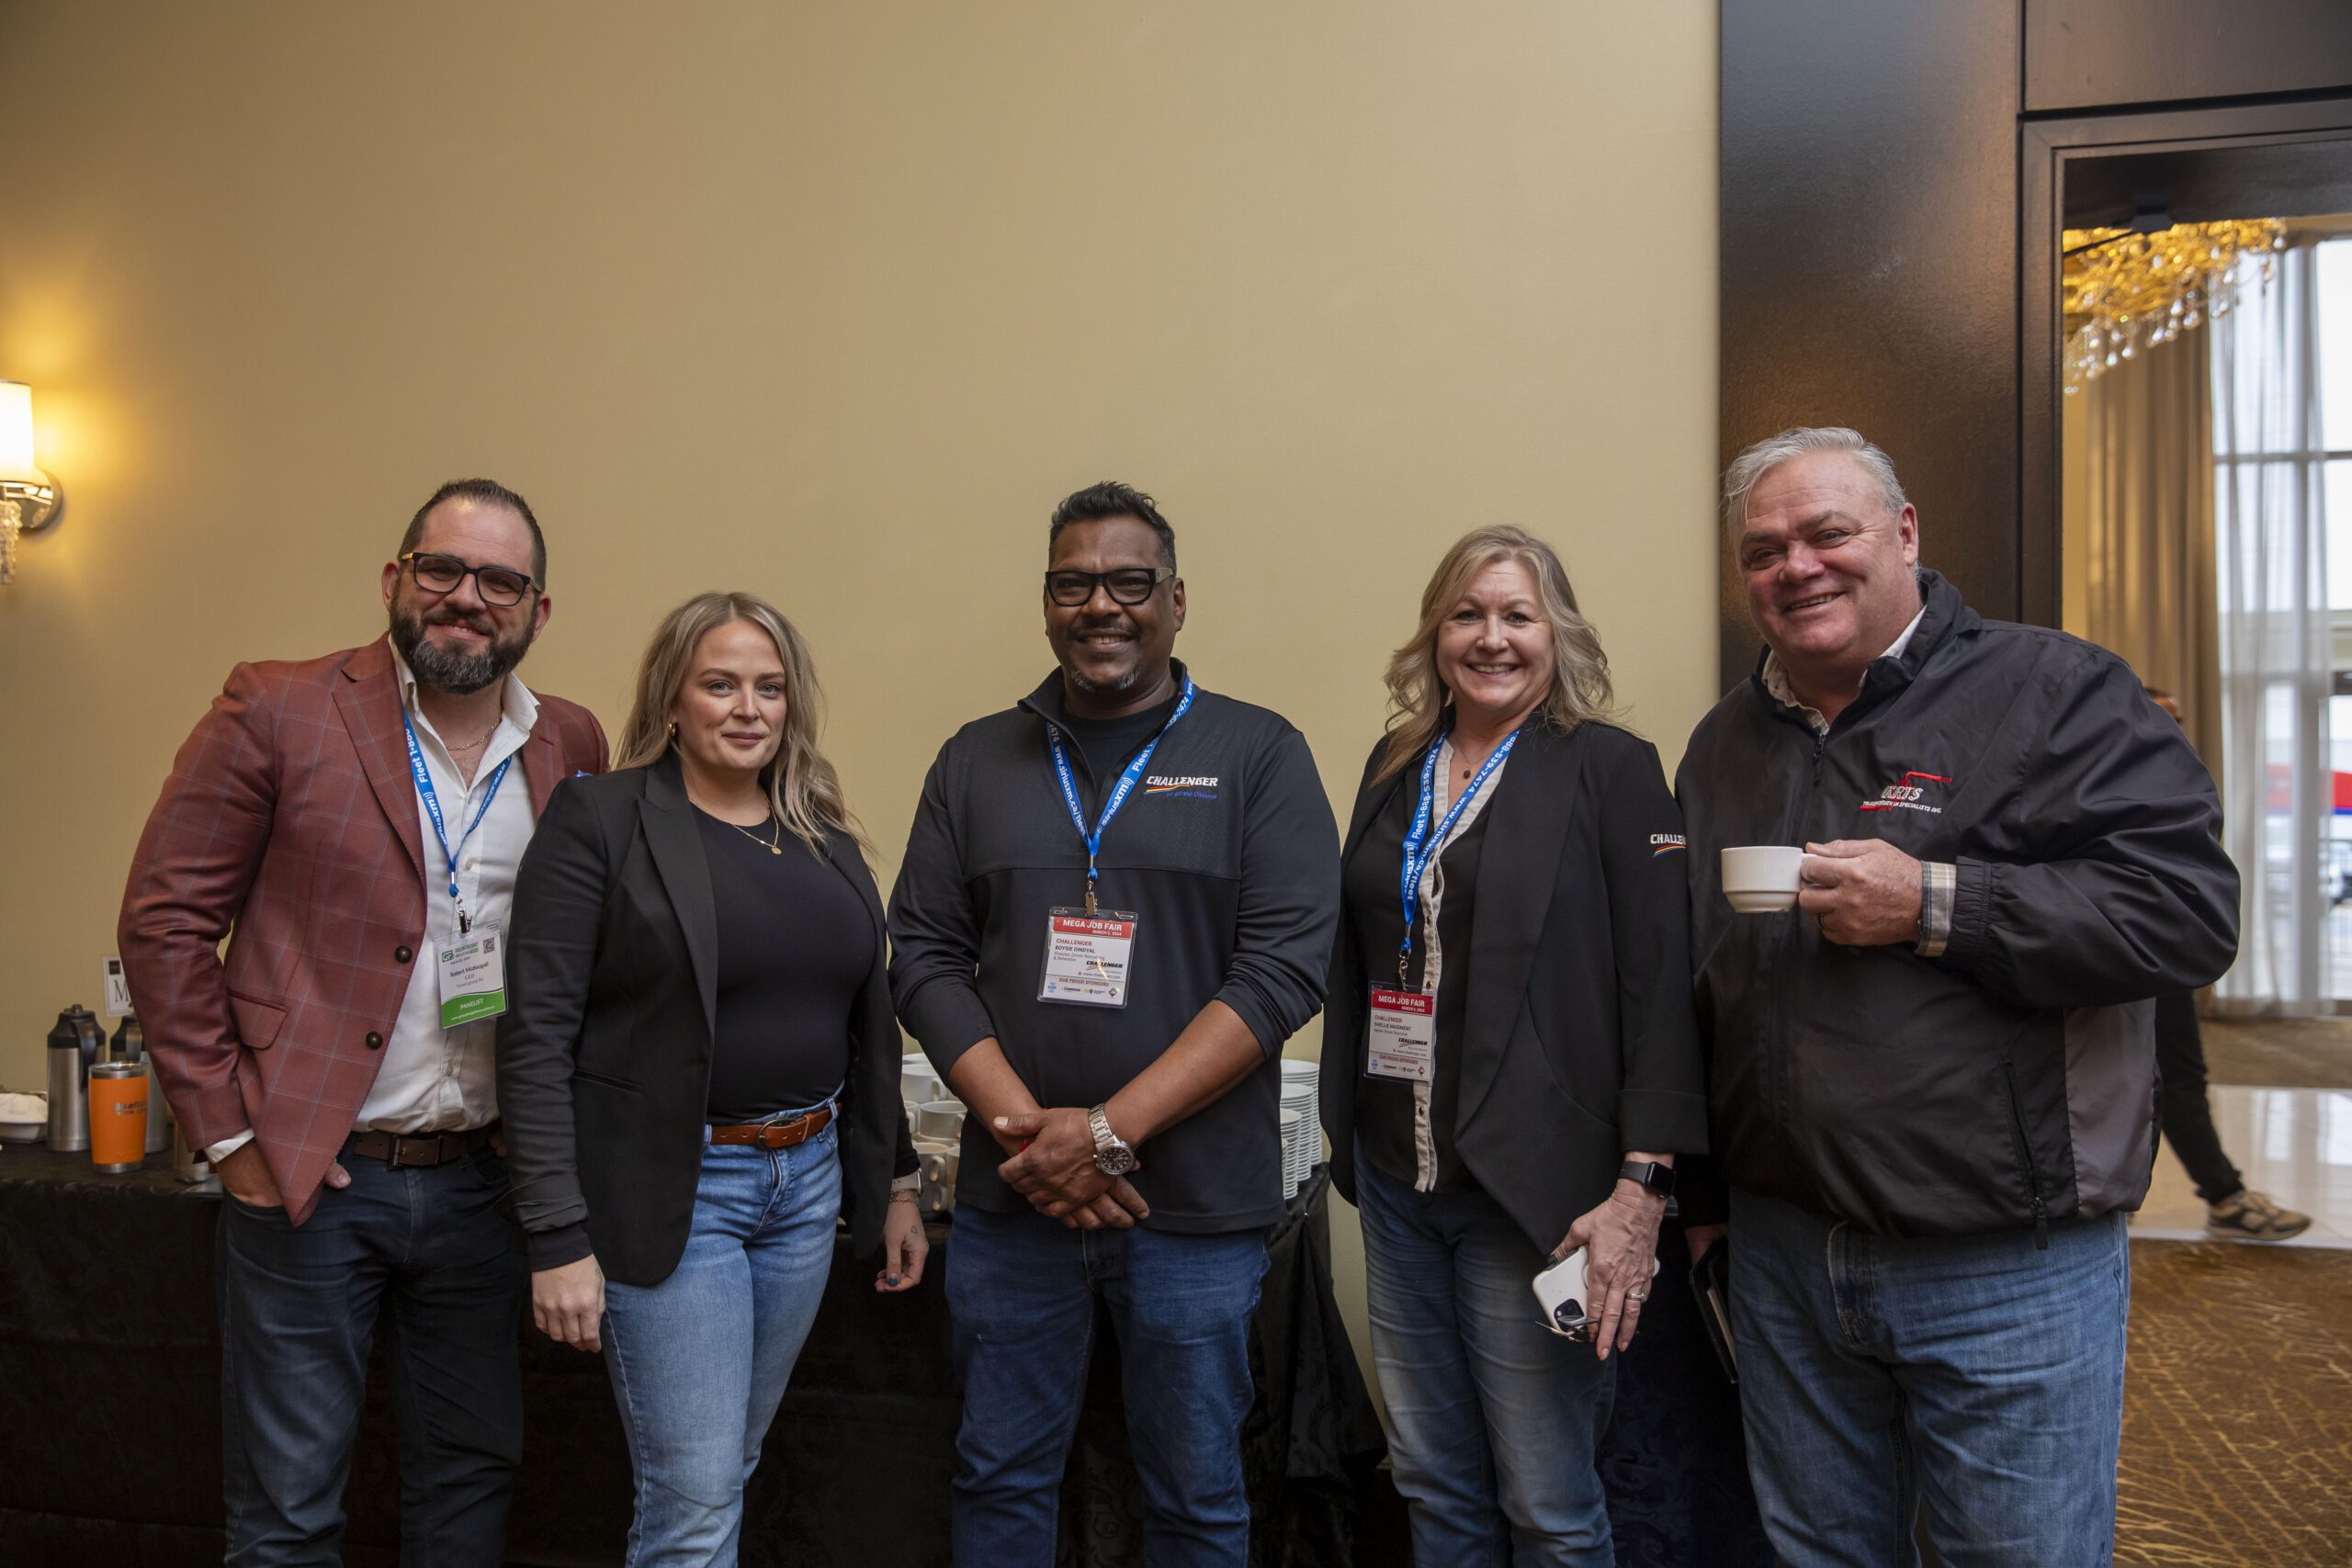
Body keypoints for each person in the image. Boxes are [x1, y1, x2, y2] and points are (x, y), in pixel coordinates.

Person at [1677, 427, 2238, 1567]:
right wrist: (1697, 1197)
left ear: (1904, 533)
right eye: (1763, 551)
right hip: (1785, 1256)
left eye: (1827, 533)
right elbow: (1698, 985)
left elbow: (2185, 913)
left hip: (2002, 1264)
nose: (1796, 566)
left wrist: (1936, 903)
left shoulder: (2058, 690)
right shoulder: (1725, 740)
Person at [118, 479, 608, 1566]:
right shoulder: (279, 706)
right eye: (442, 569)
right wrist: (230, 1137)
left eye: (500, 581)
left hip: (483, 1186)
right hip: (313, 1179)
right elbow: (164, 921)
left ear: (537, 611)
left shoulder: (569, 742)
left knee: (470, 1489)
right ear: (396, 578)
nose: (467, 597)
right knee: (288, 1512)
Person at [888, 480, 1340, 1566]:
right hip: (1015, 1205)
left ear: (1175, 600)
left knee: (1195, 1497)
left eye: (1130, 583)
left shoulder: (1258, 754)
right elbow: (925, 956)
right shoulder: (973, 760)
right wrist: (1031, 1138)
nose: (1101, 605)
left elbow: (1282, 970)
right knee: (999, 1481)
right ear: (1046, 604)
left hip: (1191, 1213)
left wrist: (1102, 1135)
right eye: (1073, 584)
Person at [497, 591, 926, 1563]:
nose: (747, 708)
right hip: (676, 1193)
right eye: (720, 685)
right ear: (673, 700)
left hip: (806, 1185)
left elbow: (864, 1024)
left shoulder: (820, 830)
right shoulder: (602, 819)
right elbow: (535, 1036)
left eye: (769, 688)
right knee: (691, 1495)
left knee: (724, 1468)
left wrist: (896, 1179)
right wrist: (556, 1234)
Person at [1317, 526, 1709, 1567]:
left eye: (1517, 616)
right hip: (1397, 1181)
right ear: (1434, 634)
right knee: (1432, 1484)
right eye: (1467, 615)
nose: (1491, 638)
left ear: (1556, 634)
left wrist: (1642, 1186)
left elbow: (1660, 990)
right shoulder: (1395, 764)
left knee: (1547, 1502)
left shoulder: (1610, 769)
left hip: (1532, 1194)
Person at [2142, 690, 2310, 1241]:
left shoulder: (2179, 782)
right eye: (2161, 716)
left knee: (2179, 1076)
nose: (2173, 729)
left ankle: (2223, 1194)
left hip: (2160, 955)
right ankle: (2219, 1194)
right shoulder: (2089, 776)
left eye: (2178, 719)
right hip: (2100, 953)